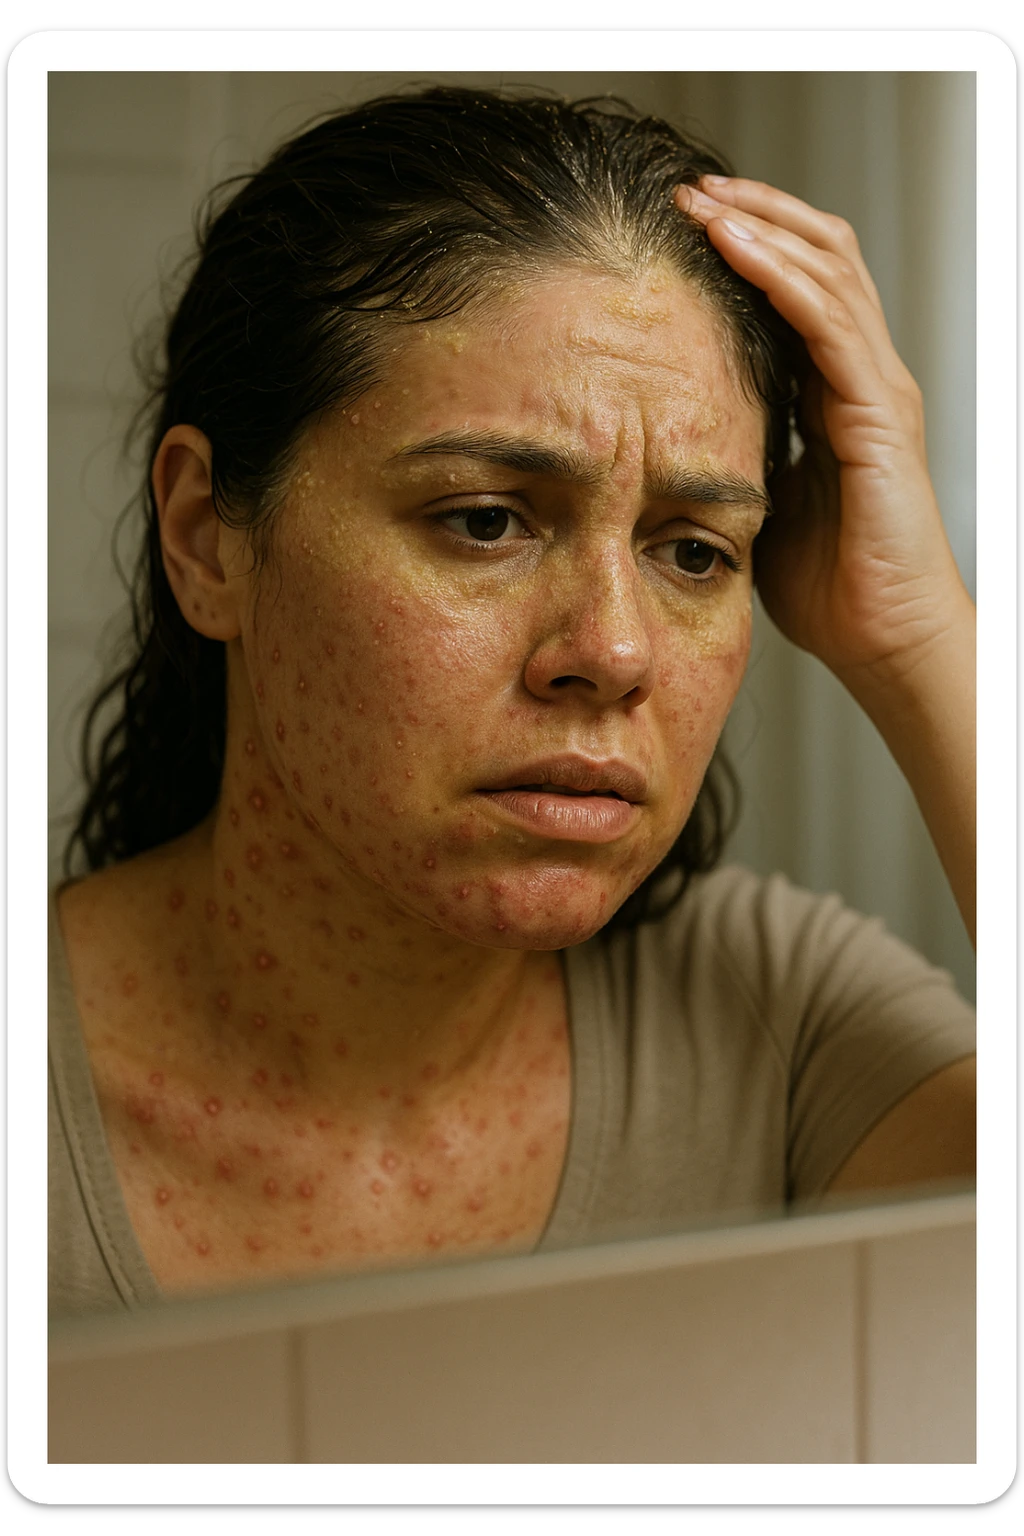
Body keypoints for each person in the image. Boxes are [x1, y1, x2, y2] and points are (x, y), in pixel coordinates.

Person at [49, 86, 976, 1315]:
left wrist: (922, 634)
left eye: (692, 550)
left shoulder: (786, 1023)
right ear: (205, 539)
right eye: (485, 521)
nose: (613, 650)